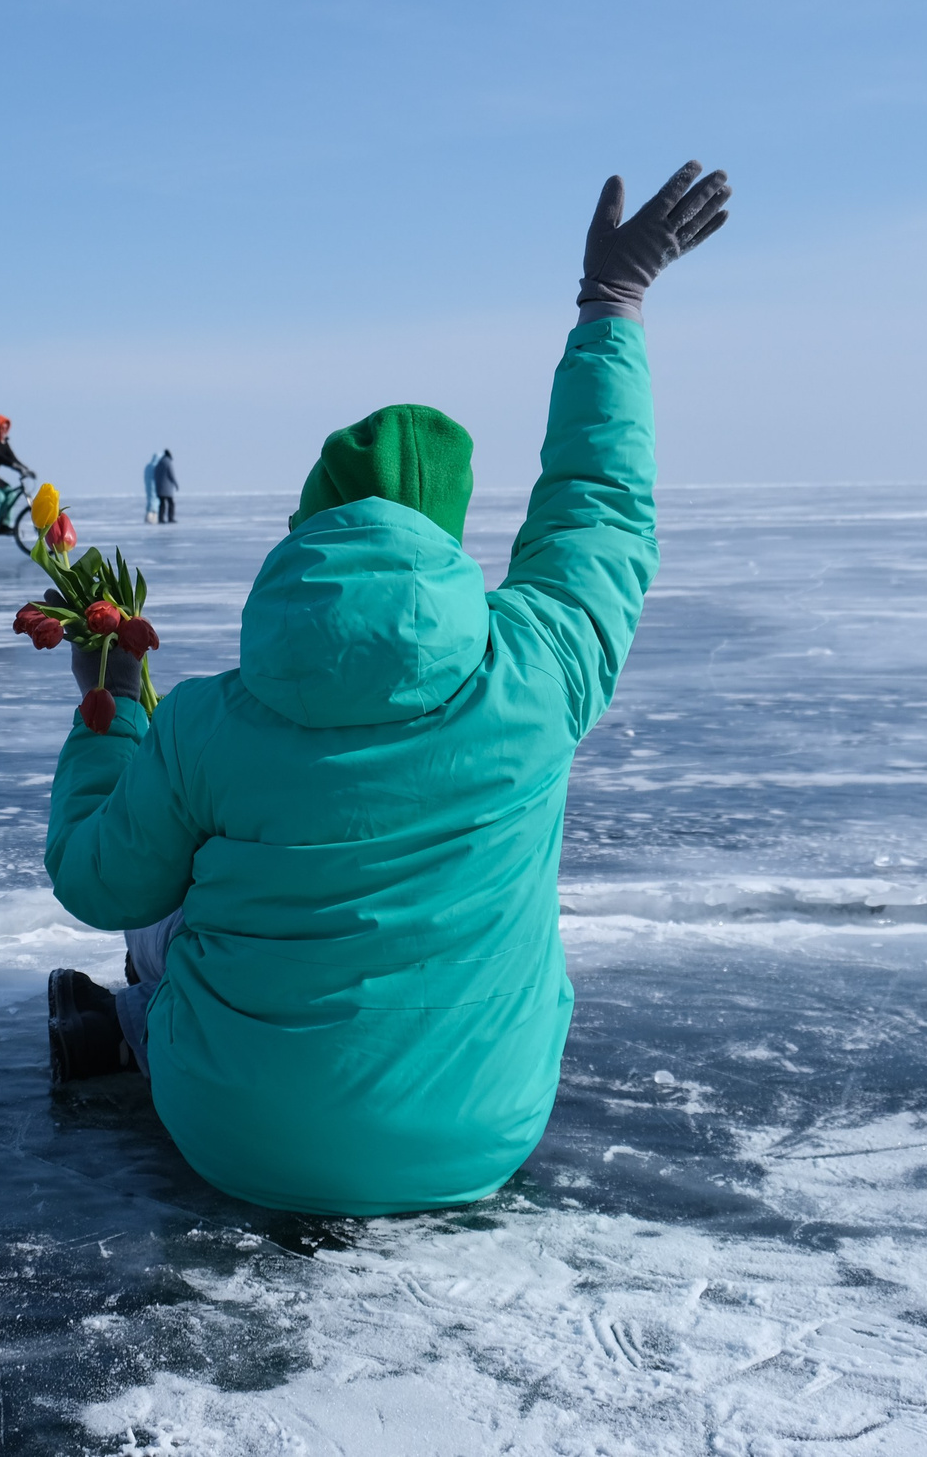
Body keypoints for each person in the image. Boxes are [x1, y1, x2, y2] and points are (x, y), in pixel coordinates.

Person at [39, 161, 729, 1216]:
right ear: (447, 539)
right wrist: (611, 307)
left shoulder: (205, 725)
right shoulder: (537, 671)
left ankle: (127, 1031)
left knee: (161, 912)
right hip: (475, 1141)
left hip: (236, 1141)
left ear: (305, 528)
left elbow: (100, 885)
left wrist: (111, 714)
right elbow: (599, 508)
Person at [152, 449, 178, 523]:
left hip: (159, 488)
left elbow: (155, 475)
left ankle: (161, 518)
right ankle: (170, 518)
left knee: (162, 504)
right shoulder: (168, 463)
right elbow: (171, 475)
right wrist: (176, 484)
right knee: (171, 503)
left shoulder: (159, 463)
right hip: (167, 489)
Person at [143, 452, 161, 523]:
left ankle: (148, 516)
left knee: (150, 500)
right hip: (154, 486)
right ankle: (151, 518)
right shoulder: (156, 466)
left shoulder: (148, 466)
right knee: (154, 501)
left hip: (148, 485)